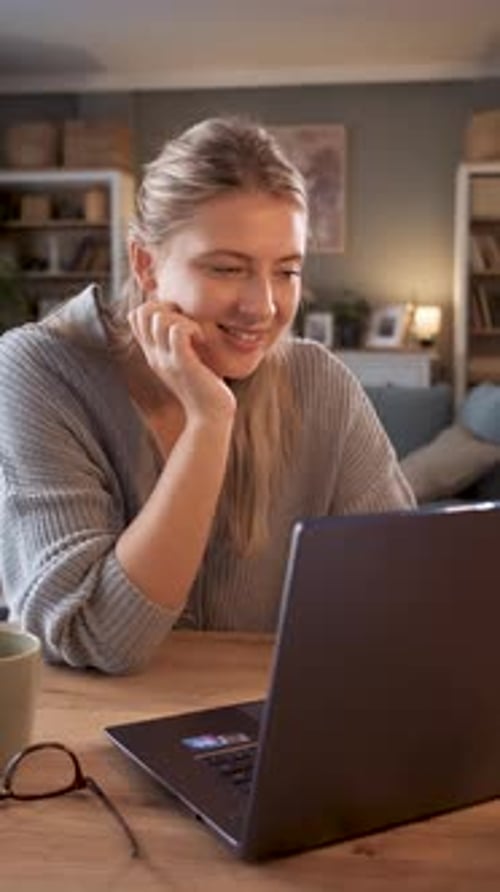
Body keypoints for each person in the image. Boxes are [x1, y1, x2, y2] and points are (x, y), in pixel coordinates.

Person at [0, 117, 414, 674]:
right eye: (226, 269)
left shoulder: (320, 384)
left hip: (255, 729)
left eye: (286, 271)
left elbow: (406, 592)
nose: (262, 306)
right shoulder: (38, 369)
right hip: (79, 736)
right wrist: (209, 422)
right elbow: (96, 636)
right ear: (146, 263)